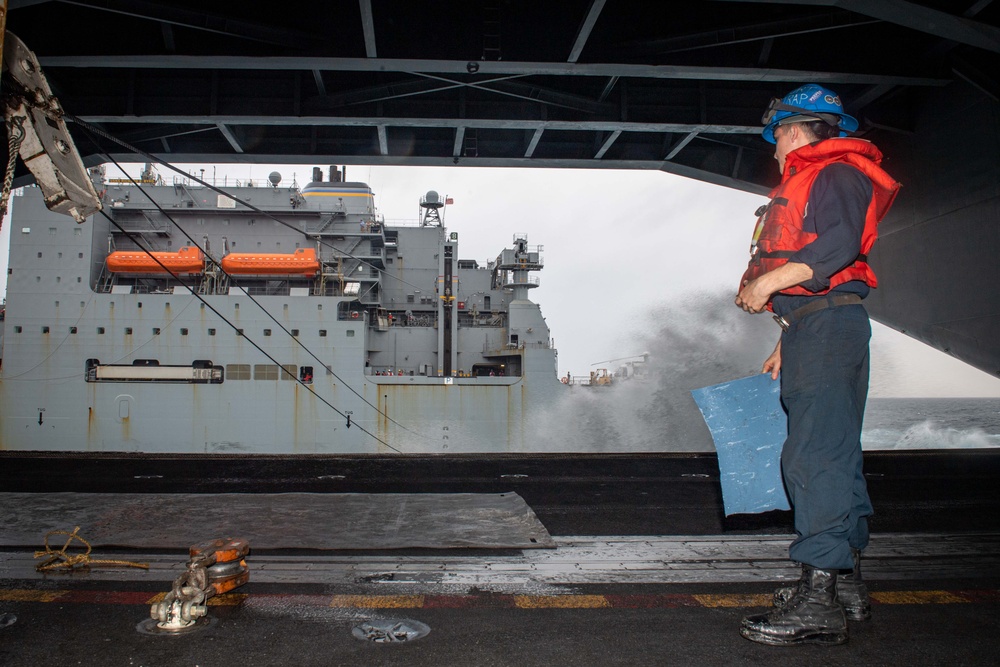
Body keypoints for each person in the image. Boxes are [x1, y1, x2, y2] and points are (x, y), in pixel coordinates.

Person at [734, 83, 901, 647]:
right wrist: (791, 332)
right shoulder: (826, 175)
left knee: (814, 456)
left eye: (776, 136)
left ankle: (817, 601)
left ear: (795, 130)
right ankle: (846, 587)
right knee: (837, 452)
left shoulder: (834, 174)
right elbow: (829, 280)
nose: (775, 150)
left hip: (827, 327)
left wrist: (768, 282)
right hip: (821, 324)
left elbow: (838, 246)